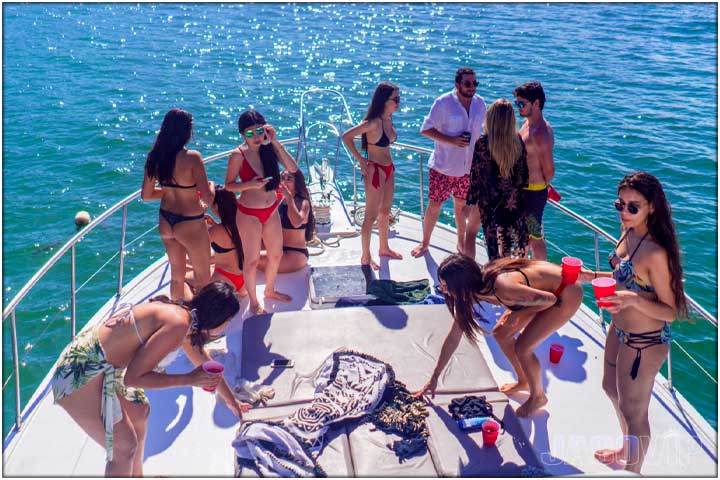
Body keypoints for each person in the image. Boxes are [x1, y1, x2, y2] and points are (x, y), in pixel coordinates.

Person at [51, 282, 252, 477]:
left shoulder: (185, 316)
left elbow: (204, 363)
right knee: (124, 447)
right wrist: (188, 379)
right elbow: (133, 378)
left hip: (102, 368)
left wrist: (231, 401)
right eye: (228, 321)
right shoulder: (178, 324)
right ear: (219, 318)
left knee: (139, 410)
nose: (227, 325)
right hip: (79, 372)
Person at [580, 172, 687, 474]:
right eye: (620, 204)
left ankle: (633, 470)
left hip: (646, 342)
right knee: (610, 389)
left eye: (632, 207)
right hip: (620, 329)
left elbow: (671, 310)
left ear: (652, 206)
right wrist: (589, 277)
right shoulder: (628, 231)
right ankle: (626, 449)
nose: (624, 212)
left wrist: (634, 301)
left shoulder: (656, 253)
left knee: (634, 411)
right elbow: (620, 278)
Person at [415, 253, 582, 417]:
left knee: (523, 348)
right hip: (541, 293)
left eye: (445, 286)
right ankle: (524, 381)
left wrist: (517, 314)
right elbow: (453, 338)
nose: (442, 289)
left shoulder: (502, 288)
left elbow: (550, 301)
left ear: (461, 286)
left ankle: (538, 397)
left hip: (565, 293)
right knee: (501, 334)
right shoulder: (471, 293)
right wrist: (434, 377)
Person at [225, 110, 298, 315]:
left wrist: (275, 141)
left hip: (270, 209)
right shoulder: (238, 155)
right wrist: (250, 184)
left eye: (259, 131)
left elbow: (292, 168)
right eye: (250, 134)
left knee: (276, 254)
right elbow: (229, 186)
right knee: (252, 261)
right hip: (249, 213)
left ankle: (270, 290)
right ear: (242, 135)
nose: (256, 137)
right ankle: (254, 303)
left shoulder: (268, 149)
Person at [411, 67, 487, 258]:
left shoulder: (480, 104)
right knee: (435, 205)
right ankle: (425, 242)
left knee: (461, 206)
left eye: (474, 83)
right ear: (457, 85)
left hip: (468, 169)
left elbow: (485, 132)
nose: (472, 87)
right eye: (468, 84)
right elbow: (425, 129)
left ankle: (461, 243)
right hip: (442, 168)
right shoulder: (443, 103)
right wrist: (452, 141)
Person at [141, 109, 215, 301]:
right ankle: (204, 326)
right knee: (204, 280)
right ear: (186, 132)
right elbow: (207, 198)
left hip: (166, 220)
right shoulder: (193, 158)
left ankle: (178, 318)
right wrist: (212, 189)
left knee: (176, 277)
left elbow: (146, 195)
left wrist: (172, 190)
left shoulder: (155, 157)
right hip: (190, 222)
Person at [342, 82, 402, 270]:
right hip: (375, 170)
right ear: (385, 101)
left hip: (388, 168)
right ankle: (365, 256)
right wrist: (361, 160)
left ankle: (384, 248)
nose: (399, 102)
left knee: (385, 211)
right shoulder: (373, 123)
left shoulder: (389, 119)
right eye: (396, 99)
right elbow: (346, 136)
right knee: (370, 216)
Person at [465, 99, 529, 260]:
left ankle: (471, 273)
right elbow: (523, 176)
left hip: (488, 202)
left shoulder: (482, 143)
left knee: (472, 233)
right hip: (511, 200)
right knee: (508, 242)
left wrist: (470, 202)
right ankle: (507, 276)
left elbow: (475, 175)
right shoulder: (517, 142)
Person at [513, 82, 555, 261]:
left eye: (522, 104)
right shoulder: (526, 123)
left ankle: (542, 274)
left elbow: (549, 170)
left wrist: (540, 188)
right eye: (517, 104)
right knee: (523, 234)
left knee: (535, 236)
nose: (519, 108)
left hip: (532, 193)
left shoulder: (540, 134)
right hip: (523, 190)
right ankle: (523, 267)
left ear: (536, 104)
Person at [258, 169, 316, 273]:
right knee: (244, 251)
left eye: (289, 179)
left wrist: (289, 198)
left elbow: (296, 223)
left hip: (294, 253)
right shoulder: (279, 199)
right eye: (282, 178)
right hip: (277, 247)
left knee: (252, 260)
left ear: (297, 183)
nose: (284, 182)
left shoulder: (303, 202)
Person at [209, 186, 247, 295]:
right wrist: (214, 225)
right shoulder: (243, 222)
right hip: (244, 281)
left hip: (224, 279)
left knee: (184, 279)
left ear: (216, 206)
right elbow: (232, 238)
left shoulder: (214, 231)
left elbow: (194, 248)